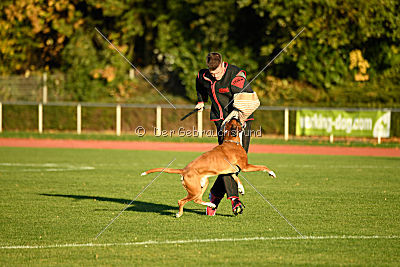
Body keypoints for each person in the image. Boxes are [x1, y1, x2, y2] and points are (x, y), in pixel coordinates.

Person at [195, 52, 260, 216]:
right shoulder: (204, 75)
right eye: (212, 73)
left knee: (239, 163)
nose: (214, 76)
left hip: (240, 122)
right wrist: (201, 100)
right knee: (225, 161)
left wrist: (239, 116)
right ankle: (234, 199)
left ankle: (214, 196)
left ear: (223, 65)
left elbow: (248, 99)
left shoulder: (235, 76)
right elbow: (199, 83)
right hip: (221, 122)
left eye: (217, 73)